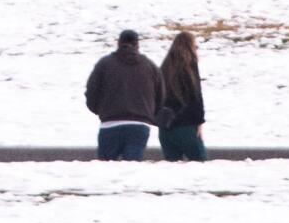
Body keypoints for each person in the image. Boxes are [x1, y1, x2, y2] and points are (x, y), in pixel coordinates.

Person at [85, 29, 163, 161]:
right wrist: (149, 113)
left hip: (110, 123)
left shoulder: (104, 64)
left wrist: (102, 111)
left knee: (106, 170)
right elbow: (160, 96)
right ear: (137, 44)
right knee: (131, 169)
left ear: (119, 43)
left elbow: (91, 93)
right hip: (139, 124)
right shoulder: (149, 66)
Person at [155, 31, 207, 162]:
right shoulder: (190, 67)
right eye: (195, 47)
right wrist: (199, 122)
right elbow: (196, 98)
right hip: (186, 126)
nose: (197, 50)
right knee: (200, 165)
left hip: (165, 129)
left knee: (172, 170)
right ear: (190, 48)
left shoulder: (164, 68)